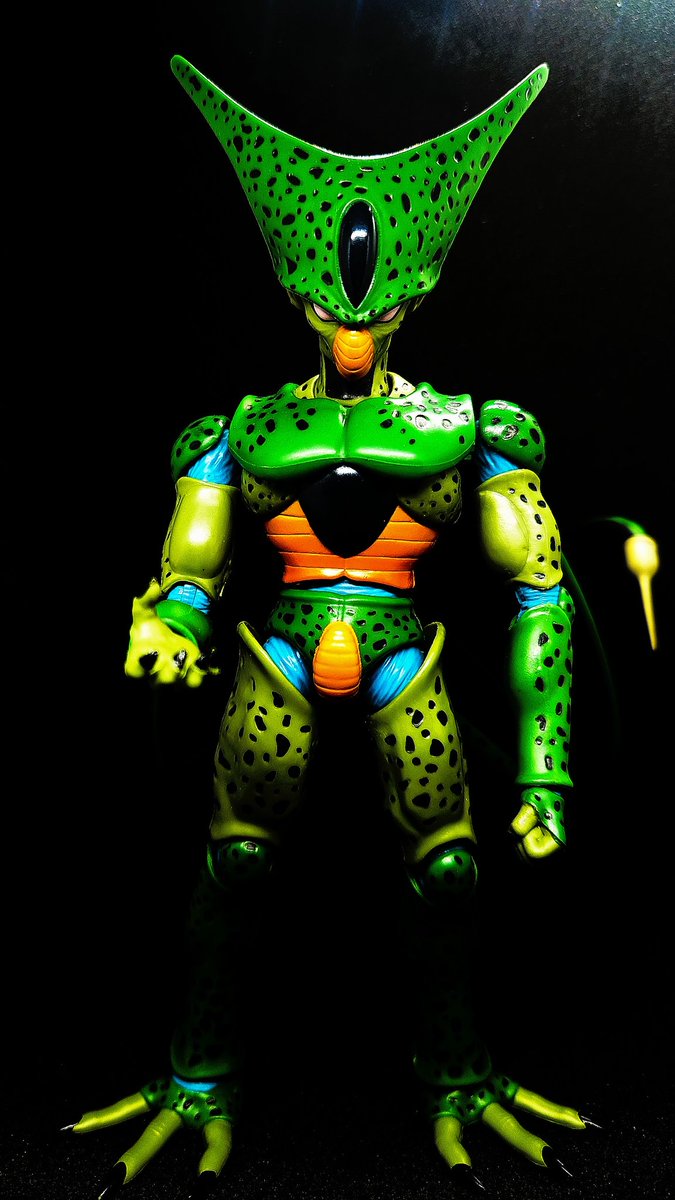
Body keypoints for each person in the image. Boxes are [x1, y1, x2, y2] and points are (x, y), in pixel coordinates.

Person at [68, 55, 619, 1197]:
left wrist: (547, 765)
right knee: (235, 864)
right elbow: (193, 564)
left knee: (450, 873)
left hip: (404, 657)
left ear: (414, 292)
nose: (355, 329)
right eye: (330, 307)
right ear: (296, 293)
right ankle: (199, 1072)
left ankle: (457, 1072)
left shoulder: (470, 428)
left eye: (377, 307)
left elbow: (540, 588)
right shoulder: (242, 428)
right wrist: (171, 622)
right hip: (277, 653)